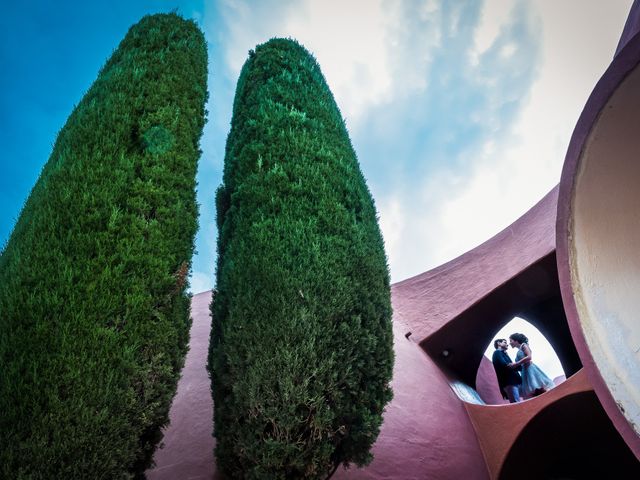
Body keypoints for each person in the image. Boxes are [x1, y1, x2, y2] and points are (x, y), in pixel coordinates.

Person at [508, 333, 555, 399]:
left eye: (511, 341)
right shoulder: (518, 351)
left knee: (539, 388)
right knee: (533, 393)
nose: (510, 343)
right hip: (525, 372)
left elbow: (529, 357)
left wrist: (516, 364)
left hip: (531, 370)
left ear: (516, 340)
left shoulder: (524, 345)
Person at [491, 338, 522, 403]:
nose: (507, 344)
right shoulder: (497, 352)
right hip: (509, 382)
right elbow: (504, 364)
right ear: (499, 343)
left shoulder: (503, 353)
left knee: (517, 402)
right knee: (516, 403)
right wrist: (518, 365)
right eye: (505, 342)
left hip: (513, 381)